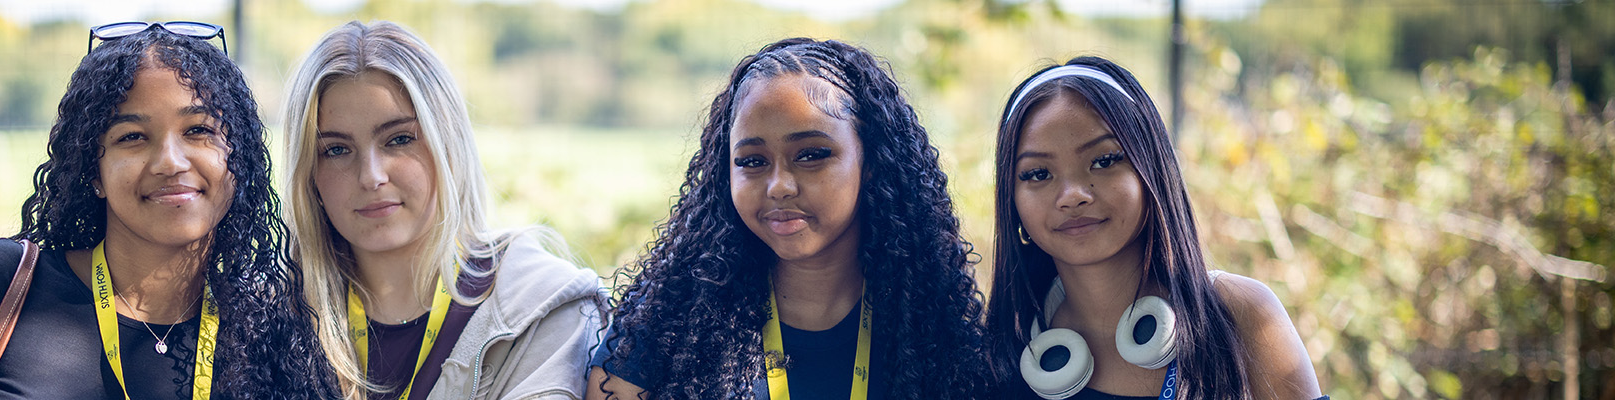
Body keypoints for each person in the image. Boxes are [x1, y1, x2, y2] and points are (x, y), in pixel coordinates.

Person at [0, 22, 337, 399]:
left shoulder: (276, 331)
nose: (171, 162)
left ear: (239, 160)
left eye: (199, 130)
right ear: (92, 170)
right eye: (132, 137)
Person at [586, 38, 993, 399]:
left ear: (871, 163)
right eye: (752, 161)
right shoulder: (663, 324)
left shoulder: (938, 328)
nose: (779, 185)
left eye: (811, 154)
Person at [278, 21, 604, 400]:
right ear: (308, 175)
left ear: (448, 143)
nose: (371, 176)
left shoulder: (544, 306)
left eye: (399, 139)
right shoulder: (269, 317)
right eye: (336, 149)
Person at [984, 56, 1324, 400]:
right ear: (1012, 201)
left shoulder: (1243, 313)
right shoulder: (998, 356)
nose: (1072, 196)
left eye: (1103, 161)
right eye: (1038, 174)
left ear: (1153, 172)